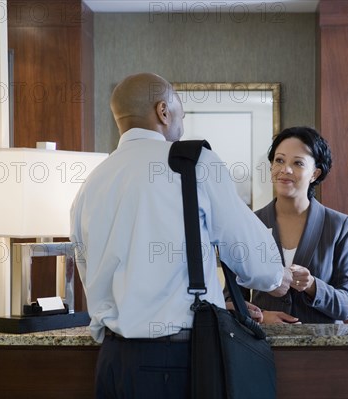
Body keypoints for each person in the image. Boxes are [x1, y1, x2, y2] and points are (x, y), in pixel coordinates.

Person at [70, 72, 292, 398]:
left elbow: (90, 273)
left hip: (113, 363)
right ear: (163, 111)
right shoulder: (193, 163)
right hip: (178, 360)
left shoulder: (91, 183)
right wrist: (276, 277)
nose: (182, 125)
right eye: (181, 115)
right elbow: (256, 260)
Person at [232, 126, 348, 324]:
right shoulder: (249, 224)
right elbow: (230, 299)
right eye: (279, 160)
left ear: (315, 173)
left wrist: (312, 285)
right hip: (262, 346)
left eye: (298, 163)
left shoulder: (339, 226)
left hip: (322, 349)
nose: (285, 169)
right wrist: (262, 317)